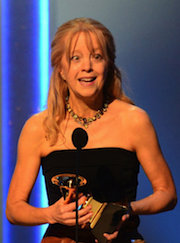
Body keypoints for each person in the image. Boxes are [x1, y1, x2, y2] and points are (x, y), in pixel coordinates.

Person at [6, 18, 177, 243]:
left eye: (96, 56)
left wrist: (126, 209)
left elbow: (167, 194)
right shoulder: (39, 127)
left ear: (109, 65)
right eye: (75, 58)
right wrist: (51, 214)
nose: (87, 66)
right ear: (61, 70)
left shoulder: (134, 120)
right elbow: (13, 209)